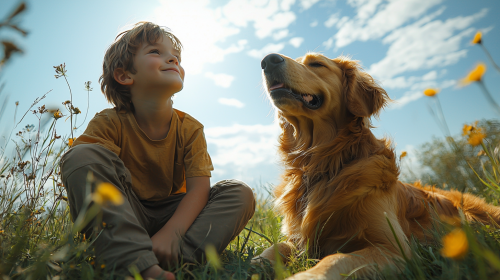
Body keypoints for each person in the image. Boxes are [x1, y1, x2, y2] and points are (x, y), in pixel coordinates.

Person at [60, 21, 255, 280]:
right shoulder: (109, 122)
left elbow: (199, 189)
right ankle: (134, 263)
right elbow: (84, 169)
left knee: (239, 193)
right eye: (156, 52)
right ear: (125, 76)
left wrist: (172, 233)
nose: (172, 58)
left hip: (173, 216)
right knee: (81, 154)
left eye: (175, 56)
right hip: (125, 213)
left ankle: (178, 260)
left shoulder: (190, 129)